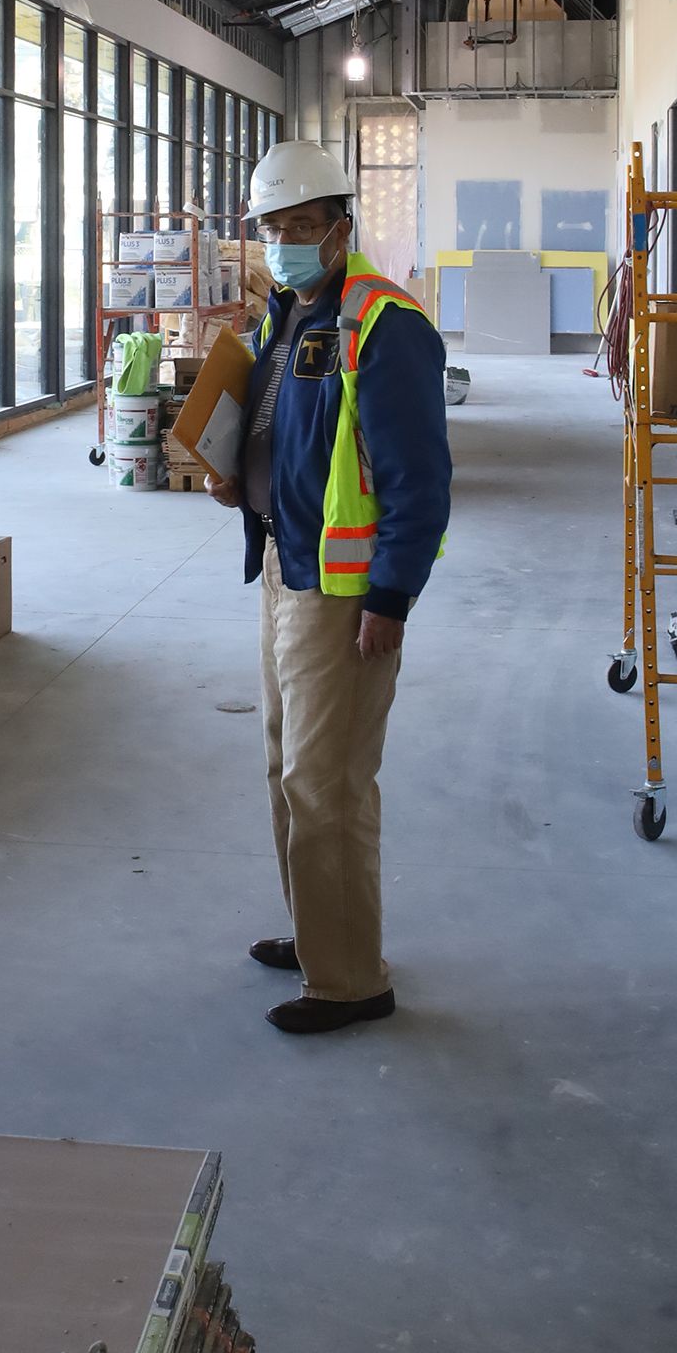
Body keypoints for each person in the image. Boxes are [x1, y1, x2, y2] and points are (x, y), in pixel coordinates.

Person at [205, 140, 450, 1034]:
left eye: (301, 225)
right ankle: (321, 936)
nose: (284, 240)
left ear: (341, 226)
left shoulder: (385, 326)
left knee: (328, 783)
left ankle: (351, 981)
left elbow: (419, 479)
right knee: (285, 769)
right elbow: (279, 433)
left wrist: (391, 597)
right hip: (284, 565)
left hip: (344, 595)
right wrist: (236, 479)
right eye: (273, 227)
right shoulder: (286, 316)